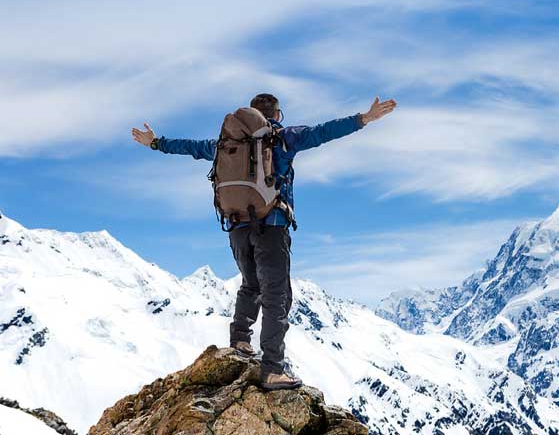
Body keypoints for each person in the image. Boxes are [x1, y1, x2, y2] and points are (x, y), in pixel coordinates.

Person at [131, 94, 397, 389]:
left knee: (251, 284)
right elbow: (324, 132)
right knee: (276, 296)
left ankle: (240, 341)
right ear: (277, 115)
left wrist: (156, 143)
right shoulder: (282, 138)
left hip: (235, 226)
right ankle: (272, 369)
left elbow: (191, 148)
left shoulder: (226, 143)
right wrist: (364, 118)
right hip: (271, 226)